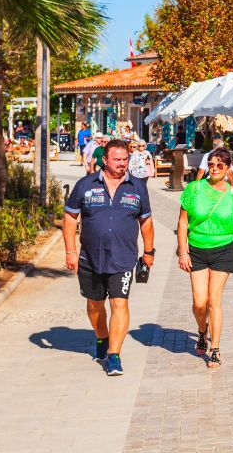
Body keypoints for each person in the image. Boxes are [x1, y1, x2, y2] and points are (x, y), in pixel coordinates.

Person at [62, 139, 154, 376]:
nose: (122, 164)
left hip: (123, 257)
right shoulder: (85, 185)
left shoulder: (137, 187)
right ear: (104, 160)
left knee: (119, 303)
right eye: (117, 159)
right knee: (94, 305)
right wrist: (70, 251)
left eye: (125, 160)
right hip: (89, 258)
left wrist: (149, 252)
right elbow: (71, 218)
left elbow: (146, 221)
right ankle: (102, 337)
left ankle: (114, 355)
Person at [177, 147, 233, 368]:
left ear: (228, 168)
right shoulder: (194, 189)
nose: (214, 168)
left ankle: (216, 348)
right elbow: (183, 222)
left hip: (223, 249)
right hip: (197, 249)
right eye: (211, 164)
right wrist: (183, 251)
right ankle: (202, 331)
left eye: (220, 165)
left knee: (214, 300)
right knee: (199, 302)